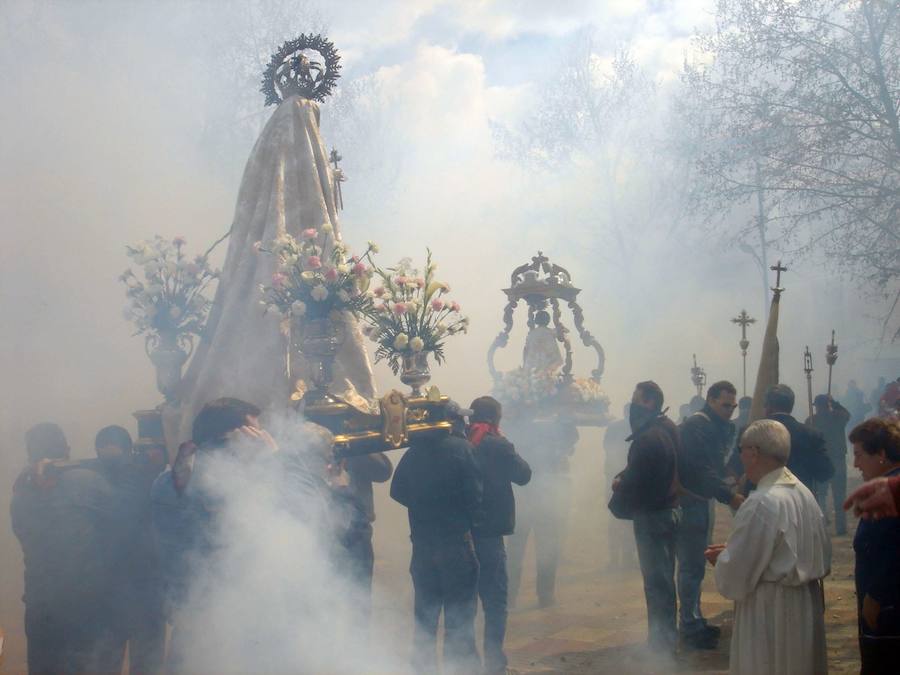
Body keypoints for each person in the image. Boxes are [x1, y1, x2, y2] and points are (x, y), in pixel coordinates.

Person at [706, 419, 830, 675]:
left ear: (753, 453)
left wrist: (724, 558)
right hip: (805, 603)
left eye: (741, 450)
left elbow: (738, 573)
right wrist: (732, 550)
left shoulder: (762, 502)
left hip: (770, 609)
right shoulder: (802, 492)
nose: (740, 457)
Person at [11, 423, 122, 674]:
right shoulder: (87, 481)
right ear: (66, 448)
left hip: (40, 606)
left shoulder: (20, 494)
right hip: (84, 604)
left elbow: (23, 534)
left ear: (30, 454)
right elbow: (121, 522)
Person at [390, 405, 483, 674]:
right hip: (455, 544)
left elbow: (397, 491)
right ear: (450, 421)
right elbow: (475, 497)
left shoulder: (413, 452)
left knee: (425, 620)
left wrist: (423, 506)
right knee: (460, 620)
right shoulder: (463, 449)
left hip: (422, 546)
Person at [88, 425, 167, 675]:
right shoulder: (147, 474)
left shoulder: (91, 480)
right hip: (133, 589)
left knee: (115, 662)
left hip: (126, 588)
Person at [611, 381, 680, 658]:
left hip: (653, 516)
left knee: (656, 582)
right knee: (665, 579)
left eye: (636, 399)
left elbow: (637, 477)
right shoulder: (668, 428)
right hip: (670, 511)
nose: (632, 405)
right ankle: (665, 638)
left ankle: (660, 646)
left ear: (649, 402)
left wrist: (619, 490)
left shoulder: (648, 437)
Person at [676, 380, 744, 650]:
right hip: (690, 501)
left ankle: (695, 619)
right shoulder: (697, 426)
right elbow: (702, 470)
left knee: (696, 564)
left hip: (702, 501)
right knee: (691, 565)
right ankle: (690, 626)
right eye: (725, 405)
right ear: (711, 400)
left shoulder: (717, 426)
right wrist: (730, 495)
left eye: (733, 406)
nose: (729, 410)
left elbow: (716, 463)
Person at [467, 396, 532, 675]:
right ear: (496, 418)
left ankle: (466, 664)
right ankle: (494, 664)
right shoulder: (498, 445)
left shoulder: (462, 441)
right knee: (495, 601)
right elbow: (524, 474)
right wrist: (505, 443)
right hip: (491, 532)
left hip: (464, 532)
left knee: (465, 603)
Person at [506, 415, 579, 609]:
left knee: (522, 550)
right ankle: (543, 596)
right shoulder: (550, 436)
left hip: (528, 498)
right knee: (540, 548)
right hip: (539, 498)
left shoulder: (518, 432)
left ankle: (512, 596)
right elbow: (571, 439)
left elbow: (571, 437)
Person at [849, 418, 900, 672]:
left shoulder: (890, 494)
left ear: (881, 454)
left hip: (889, 611)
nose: (855, 464)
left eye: (859, 455)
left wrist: (877, 595)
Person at [342, 451, 393, 623]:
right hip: (332, 530)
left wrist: (362, 446)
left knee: (359, 598)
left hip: (359, 530)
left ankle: (358, 644)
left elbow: (384, 471)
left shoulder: (357, 451)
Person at [763, 384, 834, 491]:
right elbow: (826, 472)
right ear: (791, 405)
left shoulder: (751, 433)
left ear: (768, 406)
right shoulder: (811, 435)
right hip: (800, 498)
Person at [806, 395, 851, 535]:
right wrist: (835, 403)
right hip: (836, 461)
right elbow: (847, 414)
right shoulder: (837, 416)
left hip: (821, 461)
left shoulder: (811, 420)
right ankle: (840, 527)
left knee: (820, 495)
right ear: (828, 405)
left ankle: (821, 524)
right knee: (839, 496)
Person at [603, 404, 637, 570]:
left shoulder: (613, 427)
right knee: (629, 520)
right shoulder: (638, 427)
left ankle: (614, 559)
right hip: (629, 479)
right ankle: (627, 558)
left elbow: (607, 449)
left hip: (614, 477)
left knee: (615, 519)